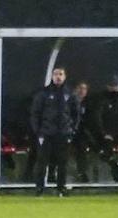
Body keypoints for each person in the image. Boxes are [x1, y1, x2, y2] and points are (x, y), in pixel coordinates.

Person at [29, 66, 76, 196]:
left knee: (63, 163)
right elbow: (35, 113)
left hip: (63, 133)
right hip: (46, 133)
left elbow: (75, 113)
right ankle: (39, 188)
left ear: (65, 76)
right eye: (55, 74)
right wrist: (38, 132)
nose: (58, 77)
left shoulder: (69, 94)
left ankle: (61, 188)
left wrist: (72, 130)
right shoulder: (43, 93)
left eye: (60, 74)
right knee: (42, 162)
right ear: (51, 76)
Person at [70, 80, 95, 183]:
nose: (82, 91)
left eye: (84, 89)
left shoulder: (89, 103)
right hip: (69, 131)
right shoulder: (69, 102)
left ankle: (82, 172)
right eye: (80, 88)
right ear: (75, 89)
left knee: (85, 147)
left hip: (83, 133)